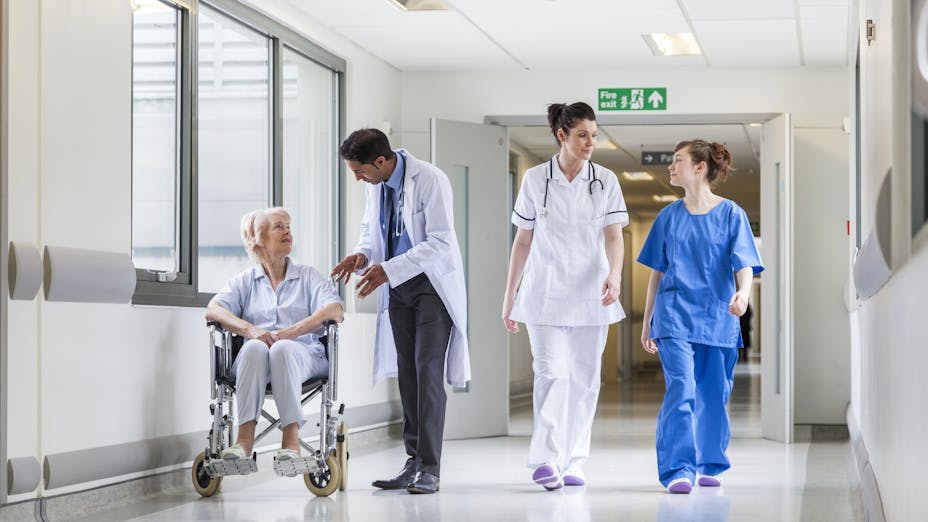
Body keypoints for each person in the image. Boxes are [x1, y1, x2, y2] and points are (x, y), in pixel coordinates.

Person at [331, 128, 469, 495]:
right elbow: (370, 228)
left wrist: (388, 269)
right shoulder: (374, 185)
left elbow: (440, 241)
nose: (358, 178)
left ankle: (431, 468)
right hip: (398, 289)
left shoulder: (431, 180)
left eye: (359, 171)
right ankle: (413, 462)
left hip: (431, 288)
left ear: (381, 161)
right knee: (407, 375)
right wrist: (362, 254)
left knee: (427, 373)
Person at [502, 102, 628, 491]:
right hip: (544, 293)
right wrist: (510, 295)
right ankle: (545, 459)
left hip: (593, 293)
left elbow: (613, 235)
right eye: (582, 135)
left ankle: (575, 460)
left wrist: (616, 275)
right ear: (562, 135)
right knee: (552, 373)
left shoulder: (604, 180)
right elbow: (522, 240)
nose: (591, 142)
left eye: (594, 135)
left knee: (586, 380)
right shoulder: (535, 180)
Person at [637, 140, 763, 494]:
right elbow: (656, 275)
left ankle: (710, 462)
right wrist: (648, 321)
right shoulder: (668, 217)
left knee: (712, 395)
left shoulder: (731, 214)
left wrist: (743, 294)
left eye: (678, 161)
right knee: (682, 388)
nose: (671, 167)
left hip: (717, 318)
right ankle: (678, 469)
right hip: (674, 317)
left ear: (700, 168)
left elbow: (744, 264)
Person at [205, 207, 344, 472]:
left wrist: (292, 332)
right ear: (256, 239)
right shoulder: (245, 281)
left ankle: (291, 440)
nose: (287, 231)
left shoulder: (308, 276)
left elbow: (335, 310)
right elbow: (213, 310)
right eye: (278, 227)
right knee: (255, 347)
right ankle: (243, 440)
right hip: (254, 364)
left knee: (281, 349)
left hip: (303, 358)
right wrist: (251, 330)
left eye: (288, 226)